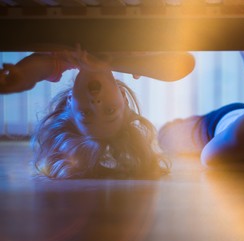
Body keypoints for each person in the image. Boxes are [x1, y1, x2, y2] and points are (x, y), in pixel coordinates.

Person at [0, 48, 195, 179]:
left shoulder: (62, 58)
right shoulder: (134, 58)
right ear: (123, 98)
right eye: (109, 110)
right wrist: (108, 62)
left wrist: (22, 77)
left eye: (86, 113)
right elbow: (185, 63)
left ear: (70, 101)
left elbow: (37, 68)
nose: (96, 103)